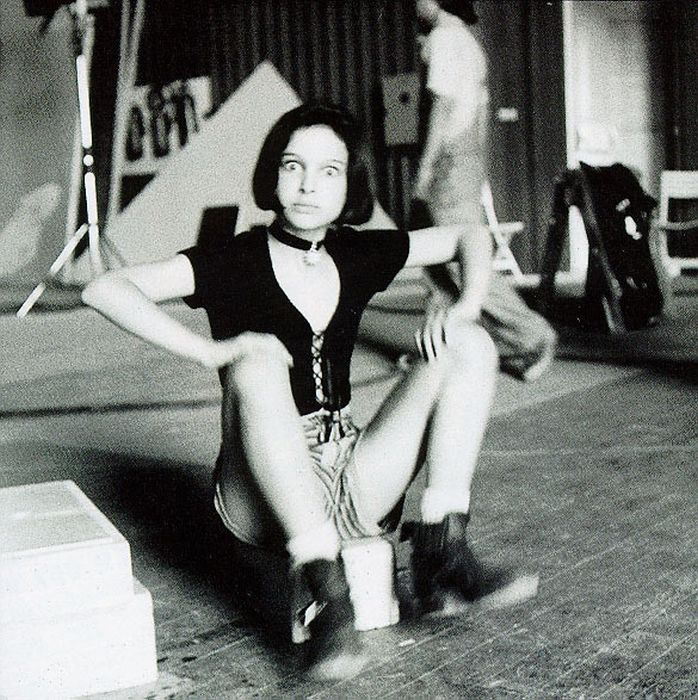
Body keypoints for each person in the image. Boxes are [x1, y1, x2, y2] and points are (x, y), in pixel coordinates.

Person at [82, 103, 533, 681]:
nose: (308, 185)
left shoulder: (355, 252)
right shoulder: (233, 260)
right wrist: (212, 352)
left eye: (329, 171)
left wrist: (465, 306)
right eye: (293, 166)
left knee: (468, 343)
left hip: (353, 475)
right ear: (272, 175)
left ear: (350, 186)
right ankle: (324, 588)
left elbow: (470, 235)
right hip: (261, 496)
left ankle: (442, 551)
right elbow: (104, 289)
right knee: (256, 361)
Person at [413, 0, 557, 382]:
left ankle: (532, 337)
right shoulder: (468, 41)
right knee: (437, 265)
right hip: (467, 156)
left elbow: (442, 107)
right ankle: (440, 346)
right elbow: (479, 115)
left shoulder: (444, 37)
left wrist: (426, 166)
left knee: (461, 258)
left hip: (449, 159)